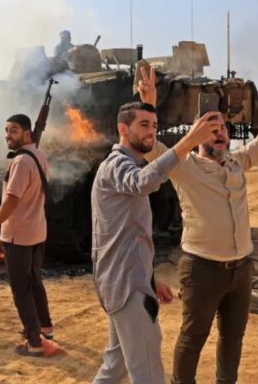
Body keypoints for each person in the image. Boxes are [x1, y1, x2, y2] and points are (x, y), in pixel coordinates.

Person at [141, 73, 258, 384]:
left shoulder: (238, 162)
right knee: (193, 337)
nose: (219, 132)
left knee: (233, 338)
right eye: (210, 128)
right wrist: (149, 104)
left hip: (242, 269)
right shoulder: (185, 167)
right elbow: (152, 149)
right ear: (197, 136)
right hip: (202, 270)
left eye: (222, 127)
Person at [91, 67, 219, 383]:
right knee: (148, 374)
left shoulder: (128, 162)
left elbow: (129, 236)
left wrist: (148, 278)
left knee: (114, 368)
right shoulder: (117, 165)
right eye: (144, 125)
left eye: (155, 126)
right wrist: (189, 141)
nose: (151, 132)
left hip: (126, 282)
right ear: (122, 129)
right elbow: (142, 182)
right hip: (126, 287)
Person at [0, 114, 56, 357]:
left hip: (18, 235)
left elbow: (11, 201)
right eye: (7, 131)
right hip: (37, 231)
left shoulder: (21, 161)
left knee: (21, 290)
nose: (8, 136)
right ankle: (45, 328)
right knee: (35, 281)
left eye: (13, 130)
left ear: (27, 133)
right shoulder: (39, 156)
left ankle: (34, 343)